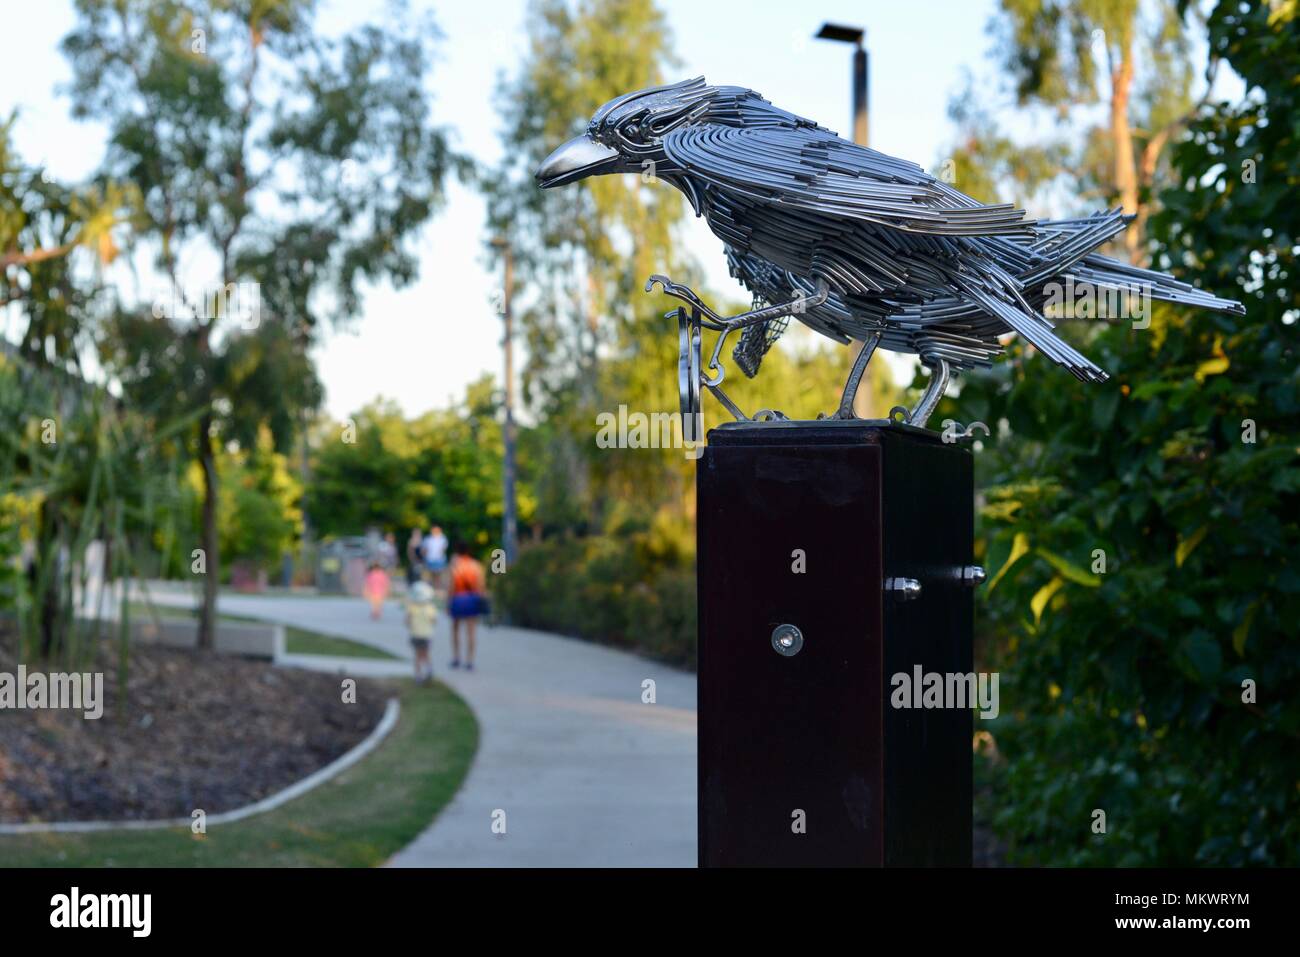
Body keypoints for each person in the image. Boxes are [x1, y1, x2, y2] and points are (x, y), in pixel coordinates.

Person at [448, 541, 488, 671]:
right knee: (471, 632)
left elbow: (451, 586)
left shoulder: (455, 566)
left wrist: (449, 602)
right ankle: (470, 661)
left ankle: (456, 658)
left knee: (455, 630)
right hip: (472, 599)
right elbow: (481, 585)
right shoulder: (476, 565)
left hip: (458, 598)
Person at [405, 580, 438, 685]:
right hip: (426, 635)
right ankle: (428, 669)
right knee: (426, 653)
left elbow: (407, 621)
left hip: (415, 635)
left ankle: (418, 676)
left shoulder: (412, 607)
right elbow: (434, 621)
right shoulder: (430, 608)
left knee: (417, 656)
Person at [422, 524, 449, 589]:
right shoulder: (428, 539)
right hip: (430, 559)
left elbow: (443, 549)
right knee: (430, 575)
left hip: (439, 559)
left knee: (438, 575)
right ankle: (431, 588)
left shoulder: (443, 539)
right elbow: (424, 550)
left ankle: (437, 588)